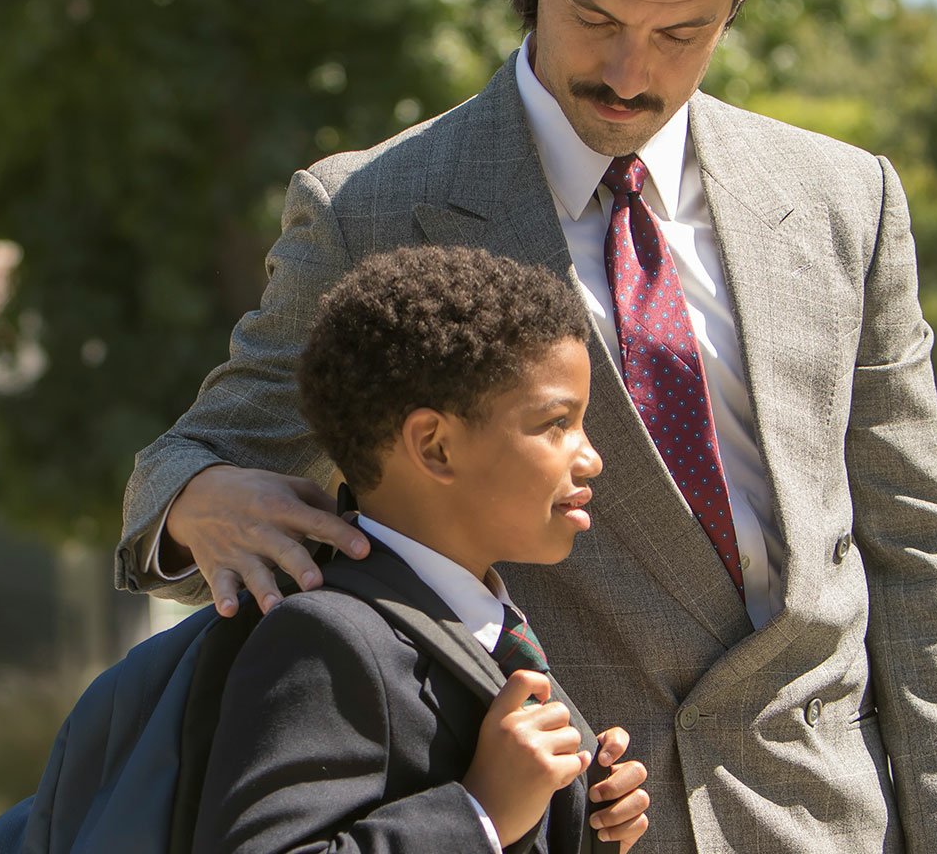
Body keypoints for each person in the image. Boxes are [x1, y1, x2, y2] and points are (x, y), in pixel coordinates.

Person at [119, 0, 937, 852]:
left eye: (682, 30)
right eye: (597, 17)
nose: (631, 72)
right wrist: (195, 496)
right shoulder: (371, 210)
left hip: (824, 822)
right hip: (564, 824)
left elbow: (922, 552)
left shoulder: (844, 200)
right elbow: (195, 457)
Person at [199, 246, 650, 853]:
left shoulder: (484, 630)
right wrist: (481, 813)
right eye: (555, 424)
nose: (590, 456)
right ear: (435, 447)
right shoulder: (325, 639)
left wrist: (580, 813)